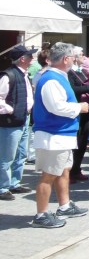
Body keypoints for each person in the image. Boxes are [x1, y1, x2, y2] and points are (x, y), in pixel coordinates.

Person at [32, 42, 89, 228]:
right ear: (66, 59)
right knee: (48, 175)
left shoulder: (58, 76)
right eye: (73, 57)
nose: (75, 60)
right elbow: (55, 107)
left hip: (61, 135)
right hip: (53, 135)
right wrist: (79, 108)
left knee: (63, 170)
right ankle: (41, 214)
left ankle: (64, 206)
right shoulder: (51, 79)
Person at [0, 45, 37, 201]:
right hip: (11, 121)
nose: (32, 59)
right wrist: (11, 109)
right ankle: (3, 187)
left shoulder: (23, 75)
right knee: (7, 156)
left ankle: (14, 183)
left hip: (23, 119)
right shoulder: (8, 75)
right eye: (30, 56)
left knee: (21, 154)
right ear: (22, 59)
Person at [67, 49, 89, 183]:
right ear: (74, 57)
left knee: (82, 142)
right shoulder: (69, 73)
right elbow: (72, 89)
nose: (84, 56)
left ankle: (76, 169)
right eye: (81, 54)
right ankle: (69, 172)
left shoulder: (79, 71)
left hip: (86, 110)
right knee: (75, 143)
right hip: (76, 110)